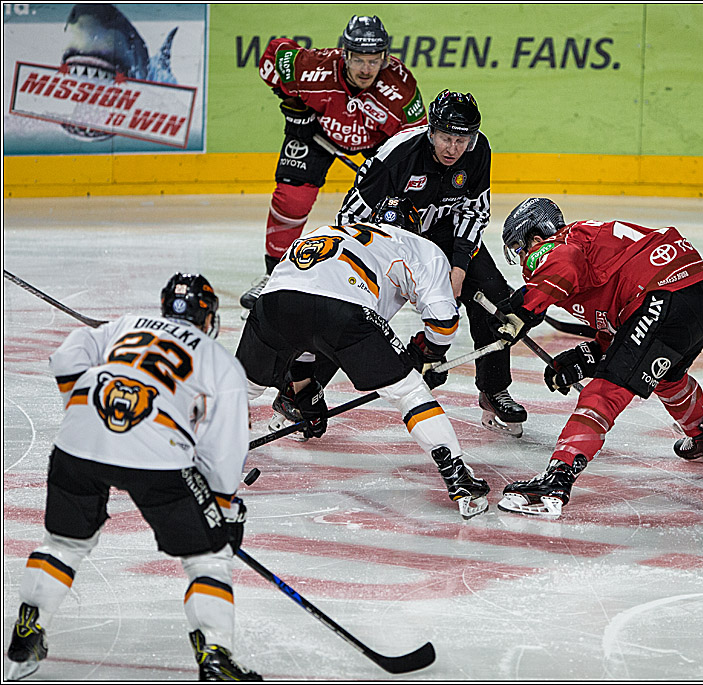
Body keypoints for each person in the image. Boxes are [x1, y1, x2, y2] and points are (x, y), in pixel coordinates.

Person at [5, 274, 260, 681]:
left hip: (78, 442)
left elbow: (67, 356)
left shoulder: (126, 325)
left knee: (64, 543)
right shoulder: (219, 360)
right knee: (207, 557)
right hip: (158, 454)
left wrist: (83, 408)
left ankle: (29, 627)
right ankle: (215, 654)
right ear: (208, 317)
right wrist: (222, 506)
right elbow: (224, 447)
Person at [234, 197, 490, 519]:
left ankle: (192, 448)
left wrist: (303, 388)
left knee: (238, 388)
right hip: (342, 312)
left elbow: (303, 316)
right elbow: (443, 320)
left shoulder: (330, 231)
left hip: (272, 306)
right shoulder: (418, 245)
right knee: (409, 392)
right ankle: (458, 476)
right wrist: (429, 353)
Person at [489, 198, 703, 519]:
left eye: (518, 248)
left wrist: (523, 308)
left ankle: (556, 481)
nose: (522, 258)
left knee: (605, 390)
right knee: (667, 376)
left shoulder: (556, 246)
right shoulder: (590, 243)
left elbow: (564, 263)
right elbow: (624, 333)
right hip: (698, 297)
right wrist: (583, 357)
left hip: (662, 297)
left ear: (535, 238)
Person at [336, 89, 529, 437]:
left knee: (495, 298)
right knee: (348, 309)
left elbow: (474, 211)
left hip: (445, 232)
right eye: (445, 138)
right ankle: (301, 390)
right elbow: (349, 219)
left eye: (461, 140)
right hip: (392, 239)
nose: (453, 148)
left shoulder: (478, 151)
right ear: (431, 131)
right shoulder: (397, 155)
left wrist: (459, 269)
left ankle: (494, 389)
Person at [242, 15, 427, 310]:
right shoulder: (314, 67)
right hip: (317, 131)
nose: (366, 69)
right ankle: (274, 275)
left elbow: (415, 140)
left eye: (374, 60)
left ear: (385, 57)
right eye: (358, 60)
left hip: (376, 141)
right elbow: (274, 53)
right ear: (345, 54)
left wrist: (393, 174)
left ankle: (380, 279)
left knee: (388, 205)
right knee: (292, 198)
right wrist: (294, 104)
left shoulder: (400, 87)